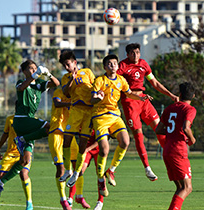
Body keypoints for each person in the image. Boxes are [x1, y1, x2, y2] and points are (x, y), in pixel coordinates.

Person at [0, 59, 60, 201]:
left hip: (29, 123)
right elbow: (22, 87)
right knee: (49, 126)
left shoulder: (39, 85)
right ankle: (22, 139)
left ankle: (0, 182)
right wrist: (35, 75)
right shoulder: (21, 82)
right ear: (24, 71)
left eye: (35, 68)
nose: (34, 70)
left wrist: (48, 74)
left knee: (25, 161)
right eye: (30, 68)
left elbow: (56, 84)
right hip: (21, 120)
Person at [91, 54, 152, 197]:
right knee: (104, 150)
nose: (113, 66)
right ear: (105, 67)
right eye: (110, 64)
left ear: (118, 66)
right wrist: (97, 98)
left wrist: (141, 97)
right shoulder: (100, 80)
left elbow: (129, 93)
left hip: (115, 116)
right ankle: (100, 179)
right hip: (100, 117)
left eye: (115, 64)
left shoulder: (121, 80)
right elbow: (92, 98)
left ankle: (110, 170)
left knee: (125, 141)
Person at [117, 43, 179, 181]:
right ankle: (147, 168)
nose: (136, 55)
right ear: (127, 54)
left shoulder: (144, 64)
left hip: (144, 101)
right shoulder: (122, 66)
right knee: (139, 135)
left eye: (138, 52)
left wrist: (171, 95)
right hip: (129, 102)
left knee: (160, 130)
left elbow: (155, 83)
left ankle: (172, 162)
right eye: (133, 53)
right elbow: (112, 81)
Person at [155, 82, 196, 210]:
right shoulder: (190, 109)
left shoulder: (169, 108)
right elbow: (186, 128)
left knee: (180, 187)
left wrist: (172, 132)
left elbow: (158, 130)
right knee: (187, 187)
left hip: (167, 151)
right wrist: (192, 139)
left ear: (180, 94)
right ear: (193, 96)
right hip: (179, 151)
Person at [48, 88, 89, 210]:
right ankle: (63, 200)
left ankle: (79, 196)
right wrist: (72, 103)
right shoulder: (59, 92)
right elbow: (57, 103)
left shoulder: (76, 95)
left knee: (78, 166)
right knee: (61, 169)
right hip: (55, 133)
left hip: (68, 134)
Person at [58, 50, 95, 188]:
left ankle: (76, 172)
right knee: (66, 140)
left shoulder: (87, 72)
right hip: (75, 111)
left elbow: (95, 87)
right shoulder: (66, 78)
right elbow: (66, 92)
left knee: (83, 144)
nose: (67, 68)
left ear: (74, 62)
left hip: (88, 112)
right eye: (64, 66)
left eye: (68, 64)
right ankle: (68, 170)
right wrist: (71, 80)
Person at [0, 115, 33, 210]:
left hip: (24, 154)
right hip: (10, 154)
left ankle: (29, 203)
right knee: (0, 176)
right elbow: (5, 134)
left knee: (23, 173)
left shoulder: (32, 120)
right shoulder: (10, 119)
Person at [68, 130, 104, 210]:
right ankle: (70, 199)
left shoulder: (96, 120)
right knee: (78, 171)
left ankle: (100, 202)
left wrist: (87, 149)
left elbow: (101, 140)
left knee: (100, 174)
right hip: (86, 150)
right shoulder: (81, 121)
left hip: (98, 149)